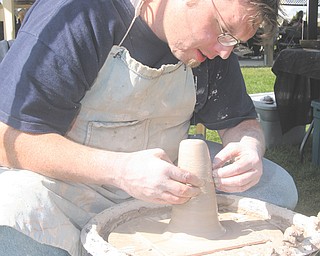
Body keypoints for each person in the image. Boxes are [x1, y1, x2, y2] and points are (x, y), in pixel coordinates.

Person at [0, 0, 298, 255]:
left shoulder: (211, 49)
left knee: (277, 186)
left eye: (233, 41)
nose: (224, 52)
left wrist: (249, 146)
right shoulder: (81, 14)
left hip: (164, 182)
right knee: (12, 210)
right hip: (70, 186)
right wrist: (120, 170)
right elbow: (7, 139)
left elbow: (241, 121)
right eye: (224, 32)